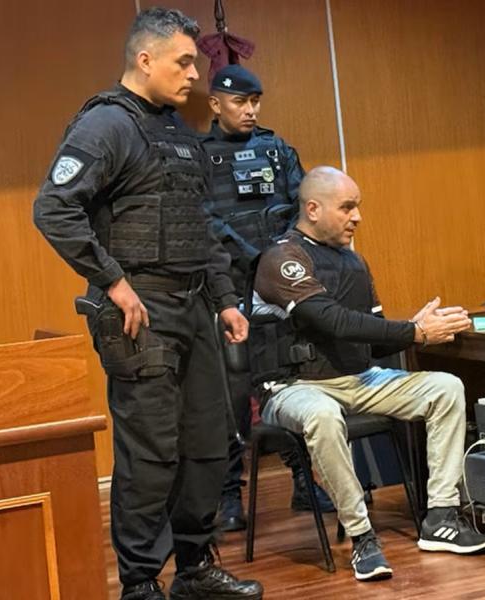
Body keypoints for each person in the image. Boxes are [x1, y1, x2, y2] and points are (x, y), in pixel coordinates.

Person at [32, 8, 262, 600]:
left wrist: (226, 300)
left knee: (208, 443)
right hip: (140, 311)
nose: (195, 74)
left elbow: (201, 225)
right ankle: (140, 582)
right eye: (183, 62)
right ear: (144, 59)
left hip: (195, 307)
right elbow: (53, 208)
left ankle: (194, 569)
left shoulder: (176, 131)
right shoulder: (106, 124)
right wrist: (112, 280)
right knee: (151, 452)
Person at [248, 166, 485, 581]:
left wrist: (417, 330)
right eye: (347, 207)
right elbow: (330, 320)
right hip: (293, 388)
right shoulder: (282, 259)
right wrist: (414, 332)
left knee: (445, 387)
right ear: (313, 209)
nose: (357, 217)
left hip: (358, 380)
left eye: (357, 207)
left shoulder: (354, 262)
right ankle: (362, 536)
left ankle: (441, 517)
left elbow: (374, 342)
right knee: (322, 415)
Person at [200, 63, 334, 532]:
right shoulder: (199, 156)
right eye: (240, 101)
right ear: (215, 104)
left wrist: (279, 256)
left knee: (288, 379)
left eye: (256, 101)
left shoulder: (277, 150)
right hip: (227, 286)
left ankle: (303, 480)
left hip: (278, 283)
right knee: (231, 391)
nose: (250, 110)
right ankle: (228, 495)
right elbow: (203, 220)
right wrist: (252, 255)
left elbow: (303, 207)